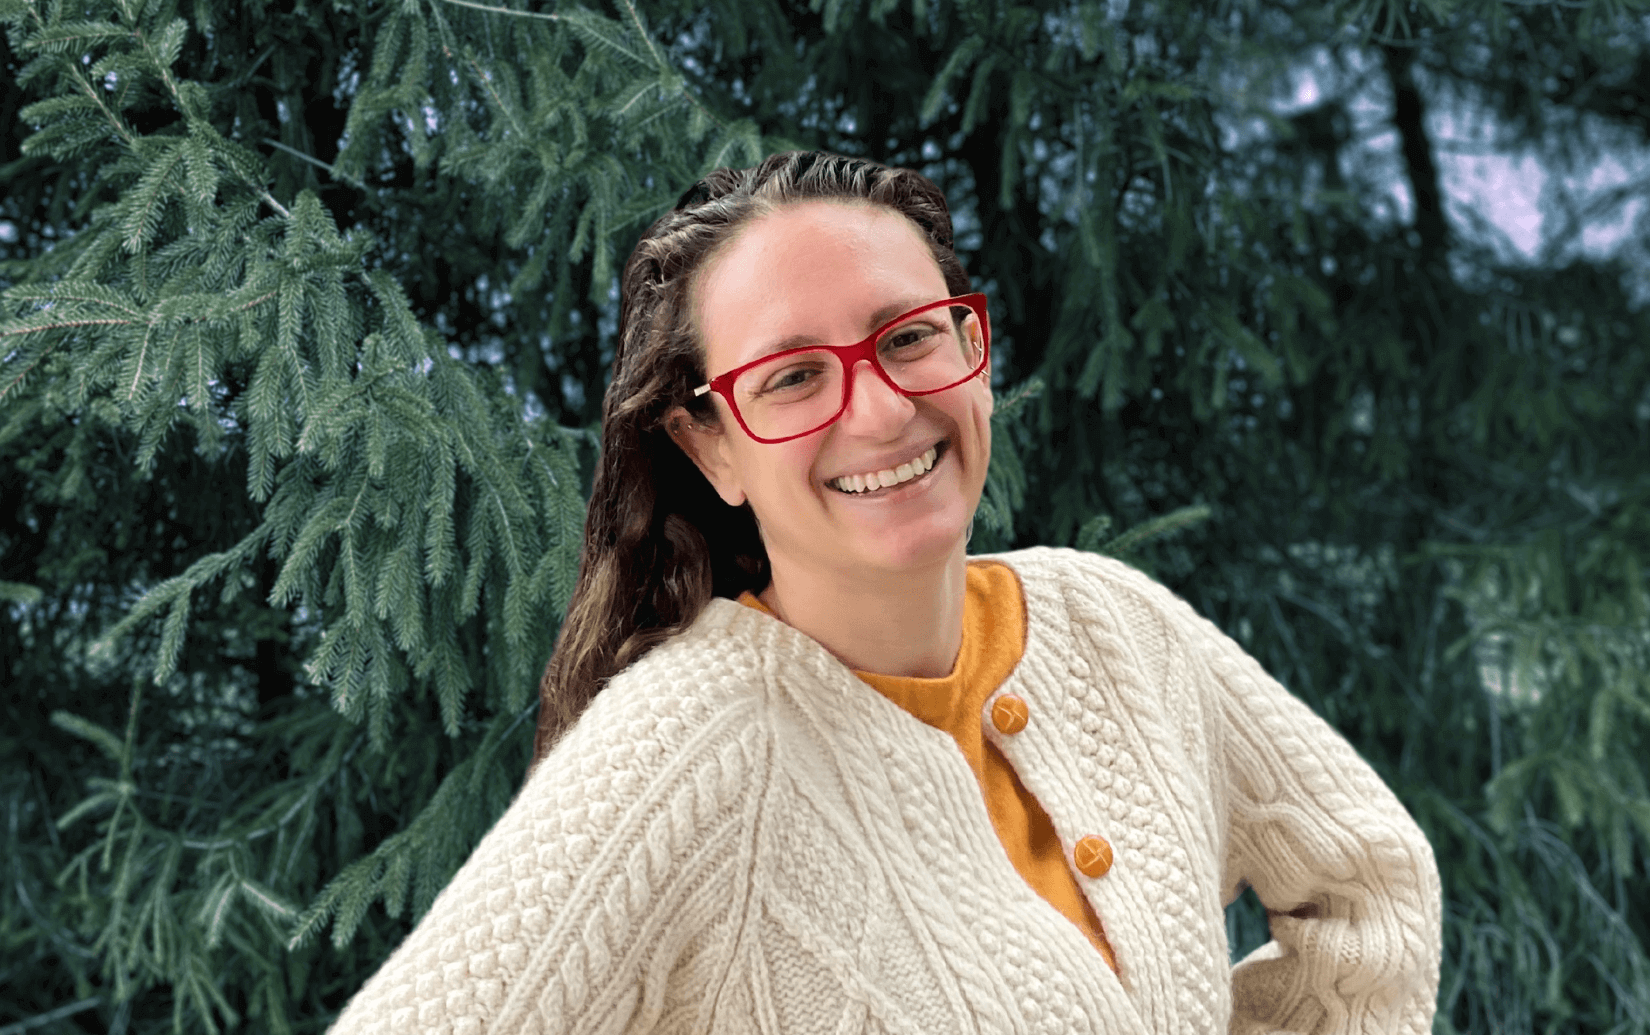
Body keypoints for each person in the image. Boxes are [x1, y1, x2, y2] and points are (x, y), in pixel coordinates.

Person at [326, 151, 1442, 1034]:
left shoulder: (1115, 627)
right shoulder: (686, 751)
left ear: (973, 351)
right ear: (710, 446)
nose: (878, 412)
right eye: (795, 375)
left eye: (908, 338)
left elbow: (1372, 890)